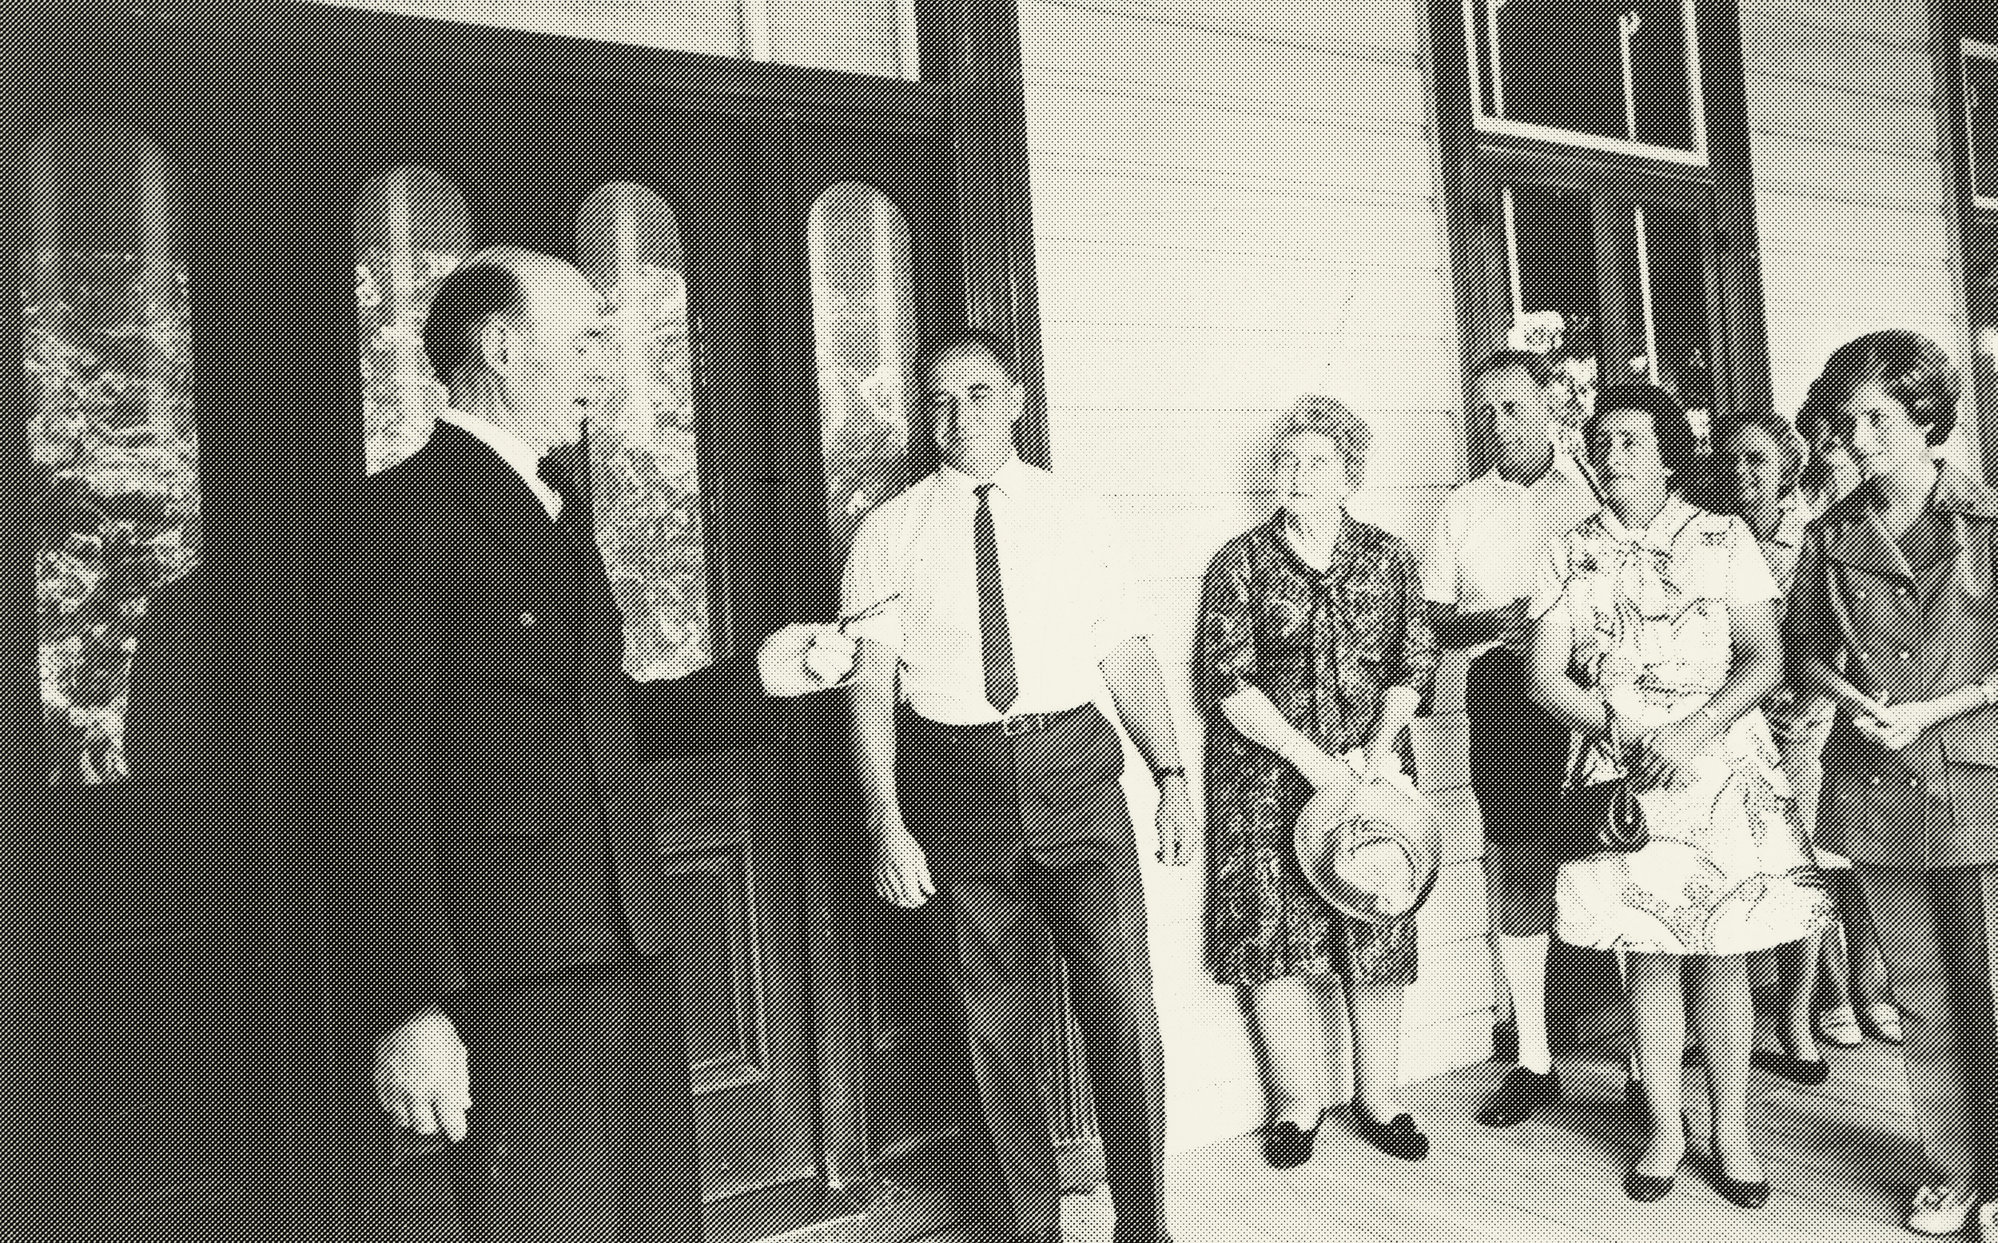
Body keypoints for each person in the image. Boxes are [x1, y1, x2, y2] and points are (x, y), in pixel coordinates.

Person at [327, 247, 857, 1243]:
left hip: (623, 940)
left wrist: (762, 676)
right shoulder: (402, 516)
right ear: (498, 344)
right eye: (584, 343)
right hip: (513, 978)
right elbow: (363, 781)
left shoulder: (555, 506)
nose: (603, 369)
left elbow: (602, 713)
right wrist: (407, 1005)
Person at [840, 332, 1195, 1243]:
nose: (960, 417)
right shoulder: (891, 529)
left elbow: (1124, 651)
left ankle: (1145, 1225)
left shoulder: (1077, 513)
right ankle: (1029, 1231)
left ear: (1017, 399)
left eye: (978, 393)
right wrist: (887, 823)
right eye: (940, 401)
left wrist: (1171, 774)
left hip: (1077, 779)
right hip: (955, 792)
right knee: (989, 1032)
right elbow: (870, 687)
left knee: (1121, 1010)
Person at [1526, 383, 1832, 1208]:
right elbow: (1542, 676)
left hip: (1719, 761)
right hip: (1623, 769)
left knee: (1723, 949)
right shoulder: (1570, 548)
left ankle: (1730, 1129)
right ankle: (1666, 1126)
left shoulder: (1723, 535)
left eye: (1630, 440)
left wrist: (1692, 732)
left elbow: (1764, 657)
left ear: (1667, 453)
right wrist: (1627, 729)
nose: (1612, 454)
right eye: (1602, 440)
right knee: (1650, 954)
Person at [1785, 330, 1998, 1237]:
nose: (1858, 437)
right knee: (1921, 991)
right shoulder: (1832, 534)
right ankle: (1955, 1169)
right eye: (1849, 420)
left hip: (1976, 781)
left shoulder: (1987, 519)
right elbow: (1801, 651)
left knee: (1991, 983)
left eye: (1877, 418)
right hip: (1875, 784)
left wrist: (1936, 708)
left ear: (1927, 420)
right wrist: (1846, 693)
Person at [1201, 396, 1439, 1168]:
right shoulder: (1240, 561)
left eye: (1319, 462)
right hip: (1268, 778)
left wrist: (1374, 750)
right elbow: (1228, 682)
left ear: (1350, 477)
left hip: (1372, 773)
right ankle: (1296, 1106)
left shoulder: (1391, 557)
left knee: (1375, 918)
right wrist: (1315, 766)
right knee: (1272, 939)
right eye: (1288, 461)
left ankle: (1382, 1098)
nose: (1299, 475)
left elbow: (1412, 664)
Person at [1421, 350, 1597, 1127]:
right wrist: (1492, 622)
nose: (1499, 424)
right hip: (1503, 691)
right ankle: (1534, 1058)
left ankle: (1639, 1063)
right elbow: (1432, 616)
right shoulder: (1462, 507)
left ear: (1549, 406)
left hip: (1598, 686)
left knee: (1613, 854)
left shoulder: (1594, 488)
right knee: (1521, 863)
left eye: (1514, 407)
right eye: (1485, 410)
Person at [1711, 414, 1896, 1087]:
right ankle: (1723, 1019)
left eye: (1756, 460)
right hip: (1724, 720)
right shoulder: (1710, 533)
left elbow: (1821, 639)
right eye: (1729, 459)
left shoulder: (1811, 534)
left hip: (1795, 721)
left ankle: (1796, 1012)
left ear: (1788, 466)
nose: (1740, 473)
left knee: (1798, 868)